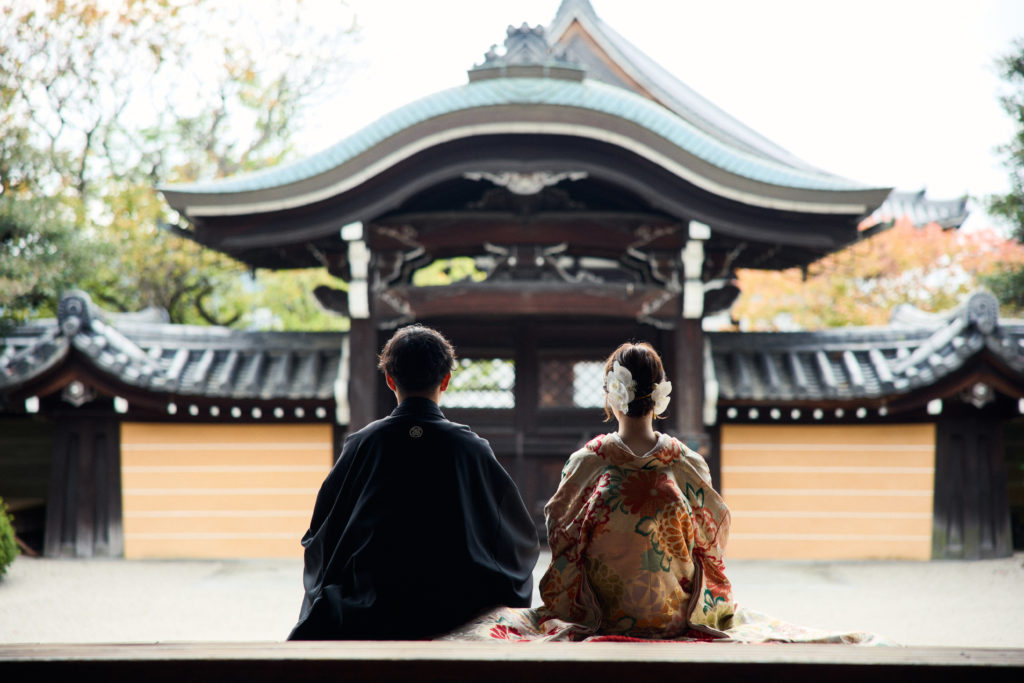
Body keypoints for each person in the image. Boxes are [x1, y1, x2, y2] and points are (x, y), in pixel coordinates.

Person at [442, 341, 883, 644]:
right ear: (658, 397)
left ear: (612, 397)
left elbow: (560, 534)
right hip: (675, 616)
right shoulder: (686, 462)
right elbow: (714, 535)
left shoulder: (588, 462)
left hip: (601, 614)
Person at [288, 324, 539, 640]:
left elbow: (322, 535)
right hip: (457, 611)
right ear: (445, 381)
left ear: (390, 380)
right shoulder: (472, 449)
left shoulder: (362, 445)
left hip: (367, 611)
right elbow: (517, 540)